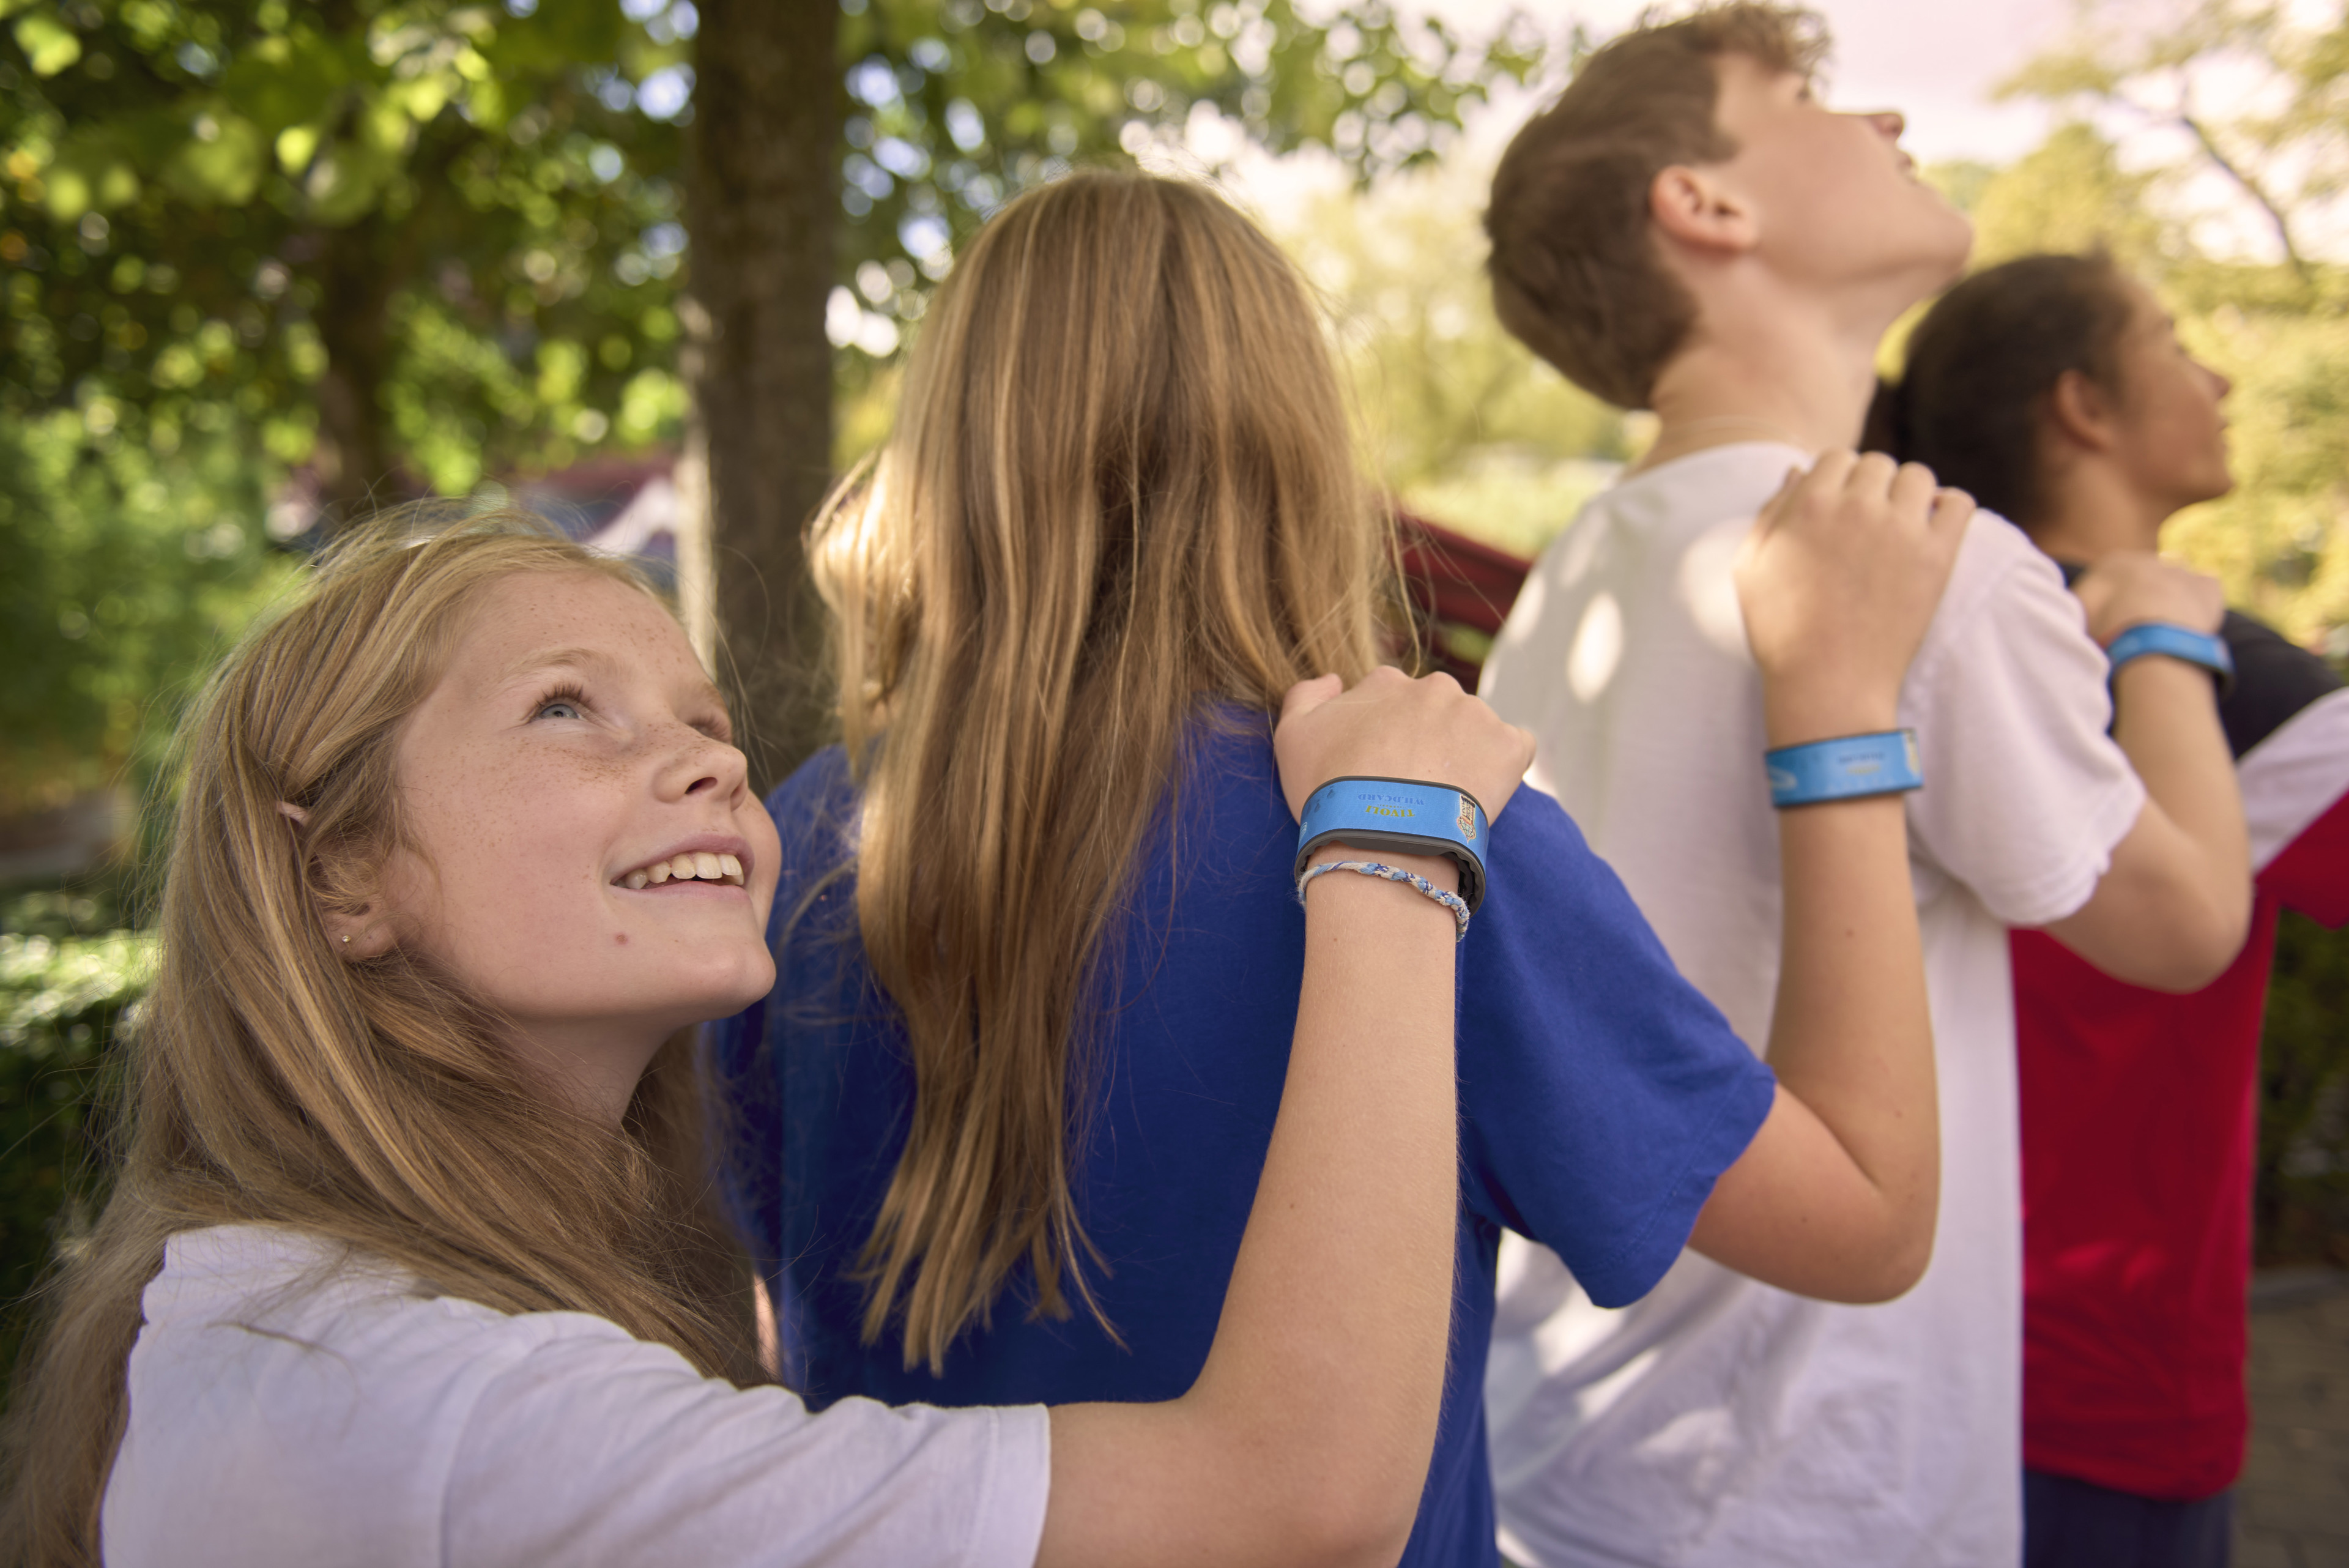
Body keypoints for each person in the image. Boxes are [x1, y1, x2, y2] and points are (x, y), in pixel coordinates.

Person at [714, 165, 1972, 1568]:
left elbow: (765, 1315)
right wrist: (1839, 706)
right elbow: (1867, 1221)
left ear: (947, 446)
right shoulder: (1407, 850)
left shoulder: (789, 842)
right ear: (1301, 448)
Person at [0, 506, 1551, 1568]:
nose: (703, 760)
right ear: (338, 872)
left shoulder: (295, 1310)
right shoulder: (439, 1408)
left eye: (702, 717)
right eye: (565, 708)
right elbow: (1299, 1500)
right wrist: (1393, 849)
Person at [1474, 8, 2253, 1566]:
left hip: (1558, 1460)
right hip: (1811, 1497)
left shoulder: (1571, 579)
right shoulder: (1921, 564)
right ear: (1705, 204)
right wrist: (2169, 633)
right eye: (1813, 98)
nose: (1887, 121)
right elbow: (2185, 925)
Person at [1878, 250, 2349, 1568]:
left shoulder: (1907, 621)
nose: (2221, 373)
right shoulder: (2226, 679)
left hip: (1886, 1346)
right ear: (2081, 405)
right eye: (2175, 339)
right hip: (2103, 1387)